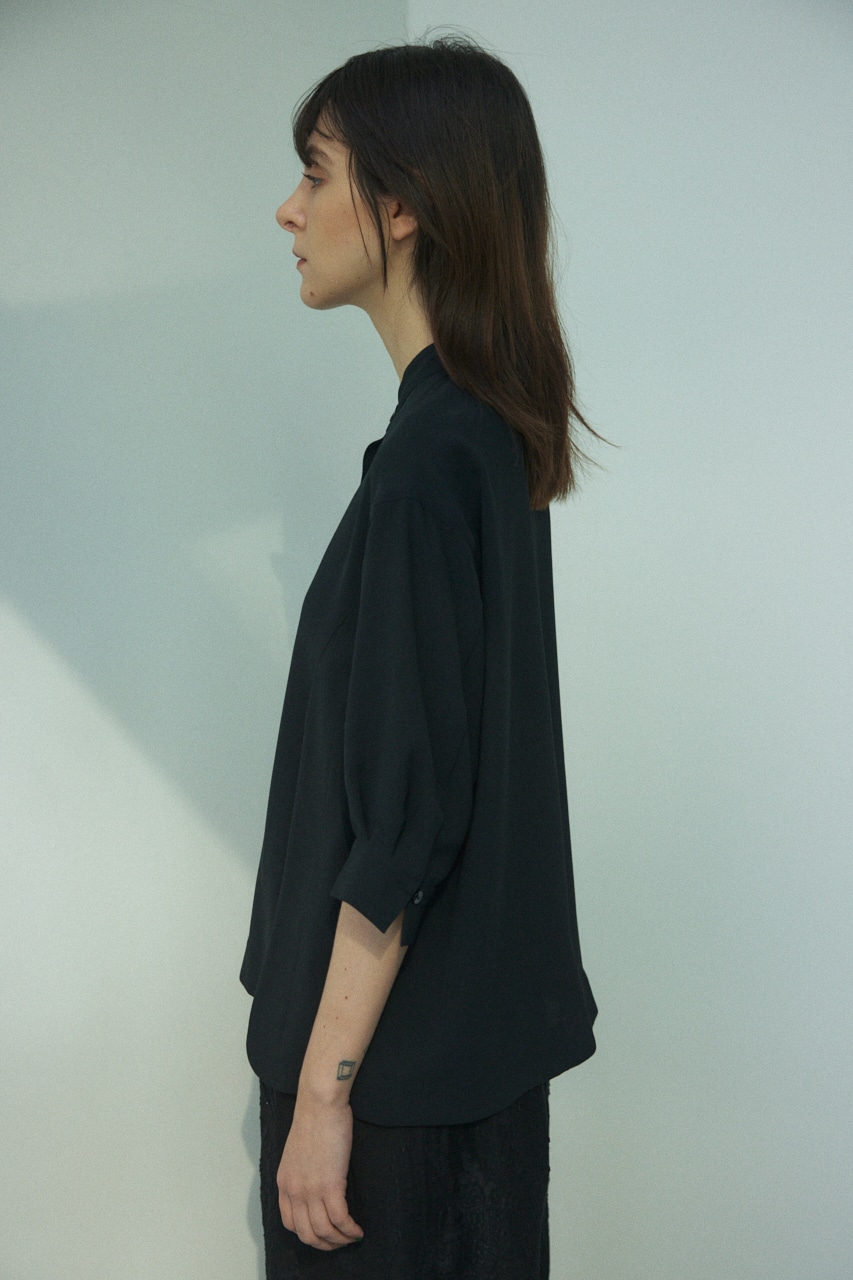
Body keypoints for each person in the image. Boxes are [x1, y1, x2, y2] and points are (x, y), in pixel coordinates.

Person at [240, 32, 600, 1279]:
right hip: (465, 1076)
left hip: (390, 1098)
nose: (288, 210)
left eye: (315, 173)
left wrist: (321, 1095)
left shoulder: (426, 466)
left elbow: (405, 830)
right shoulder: (486, 439)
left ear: (401, 206)